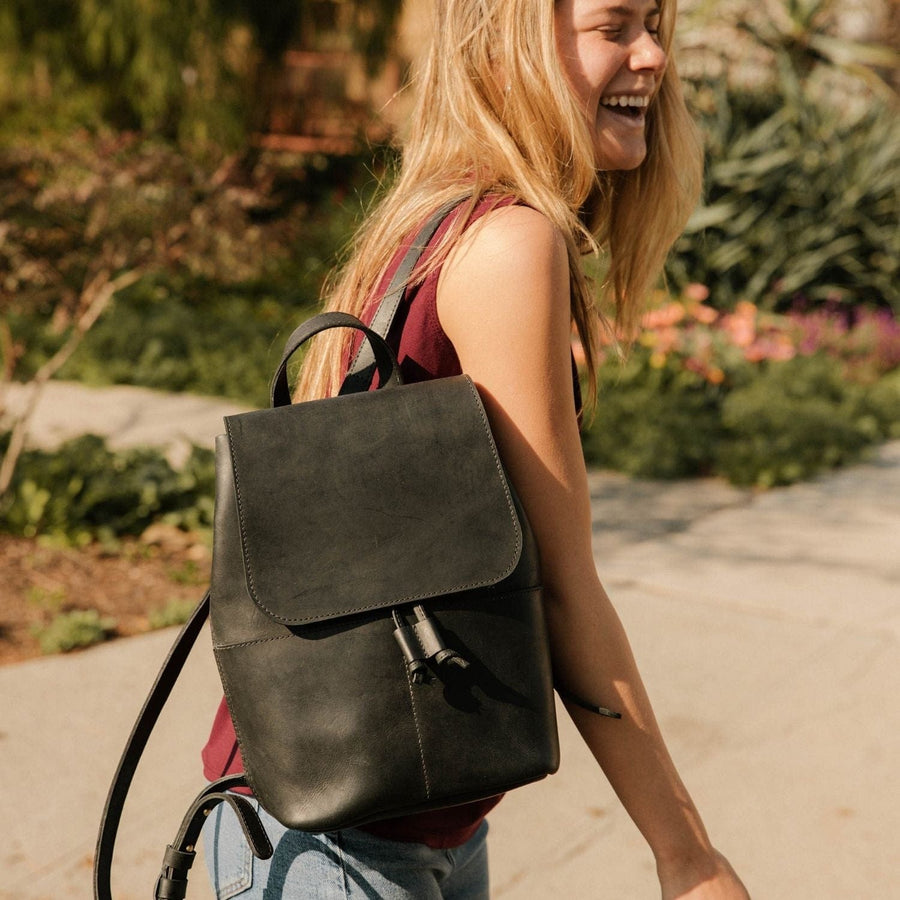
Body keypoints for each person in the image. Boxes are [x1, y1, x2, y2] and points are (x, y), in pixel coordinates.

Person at [201, 0, 751, 896]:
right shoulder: (508, 243)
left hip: (359, 819)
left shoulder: (436, 218)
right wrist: (688, 856)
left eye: (655, 23)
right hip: (350, 846)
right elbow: (565, 588)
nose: (654, 56)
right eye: (615, 27)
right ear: (511, 43)